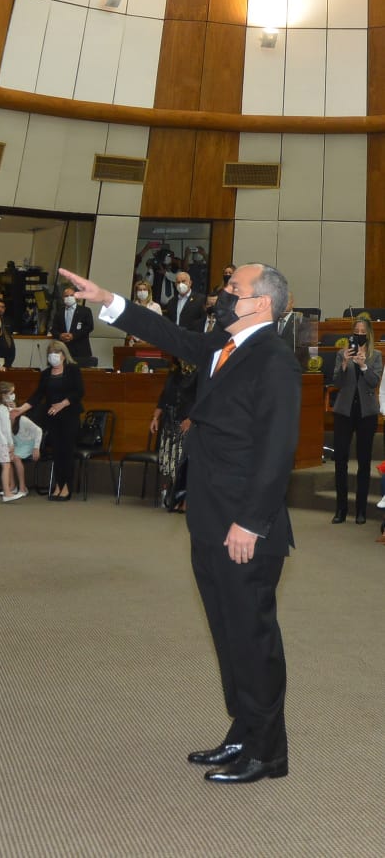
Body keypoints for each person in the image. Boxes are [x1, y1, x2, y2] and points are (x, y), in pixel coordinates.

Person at [60, 261, 301, 785]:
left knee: (252, 637)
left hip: (245, 527)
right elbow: (167, 333)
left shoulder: (275, 359)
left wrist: (251, 523)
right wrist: (108, 299)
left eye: (233, 289)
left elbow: (277, 451)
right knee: (227, 632)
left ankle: (268, 752)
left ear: (261, 303)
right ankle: (242, 733)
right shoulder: (222, 344)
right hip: (210, 516)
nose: (221, 295)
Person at [11, 340, 83, 500]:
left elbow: (79, 392)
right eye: (50, 354)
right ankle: (58, 484)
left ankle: (66, 487)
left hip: (70, 416)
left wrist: (62, 404)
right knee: (57, 452)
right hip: (53, 419)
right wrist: (20, 409)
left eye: (56, 353)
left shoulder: (73, 370)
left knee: (67, 452)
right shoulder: (46, 374)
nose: (53, 357)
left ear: (64, 355)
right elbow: (37, 396)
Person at [331, 319, 382, 524]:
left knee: (364, 461)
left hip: (366, 414)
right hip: (344, 412)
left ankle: (361, 510)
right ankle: (341, 509)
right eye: (356, 330)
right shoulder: (341, 353)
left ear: (368, 334)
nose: (359, 333)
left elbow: (373, 381)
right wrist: (344, 364)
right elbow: (336, 382)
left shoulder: (375, 355)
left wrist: (363, 366)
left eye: (363, 331)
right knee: (341, 460)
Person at [150, 358, 198, 511]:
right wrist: (155, 418)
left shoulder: (200, 373)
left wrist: (191, 418)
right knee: (172, 463)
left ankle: (187, 501)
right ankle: (175, 496)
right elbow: (164, 397)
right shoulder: (174, 373)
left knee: (184, 462)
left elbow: (203, 399)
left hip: (187, 422)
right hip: (169, 421)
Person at [50, 284, 95, 361]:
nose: (69, 298)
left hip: (81, 351)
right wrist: (60, 335)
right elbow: (53, 329)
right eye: (66, 296)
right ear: (63, 298)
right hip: (63, 350)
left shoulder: (85, 311)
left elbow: (89, 327)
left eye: (71, 295)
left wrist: (73, 335)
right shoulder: (59, 312)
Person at [125, 279, 162, 346]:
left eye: (145, 289)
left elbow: (159, 327)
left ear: (149, 291)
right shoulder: (131, 307)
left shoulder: (156, 307)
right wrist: (139, 340)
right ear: (136, 292)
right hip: (135, 343)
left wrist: (147, 341)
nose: (142, 292)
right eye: (139, 290)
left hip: (151, 344)